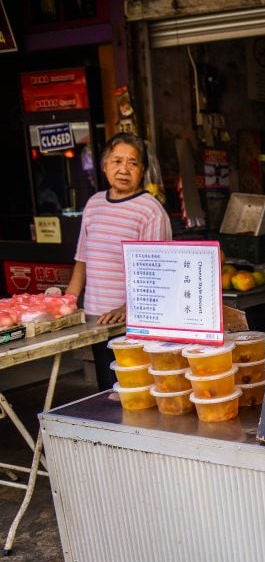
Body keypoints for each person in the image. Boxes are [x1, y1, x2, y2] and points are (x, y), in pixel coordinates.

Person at [64, 132, 172, 388]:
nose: (124, 169)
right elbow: (83, 259)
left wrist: (127, 308)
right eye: (117, 161)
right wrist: (67, 301)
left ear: (142, 169)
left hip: (133, 324)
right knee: (106, 389)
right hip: (94, 319)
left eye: (132, 163)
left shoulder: (150, 210)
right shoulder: (93, 204)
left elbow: (157, 273)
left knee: (135, 388)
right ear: (104, 166)